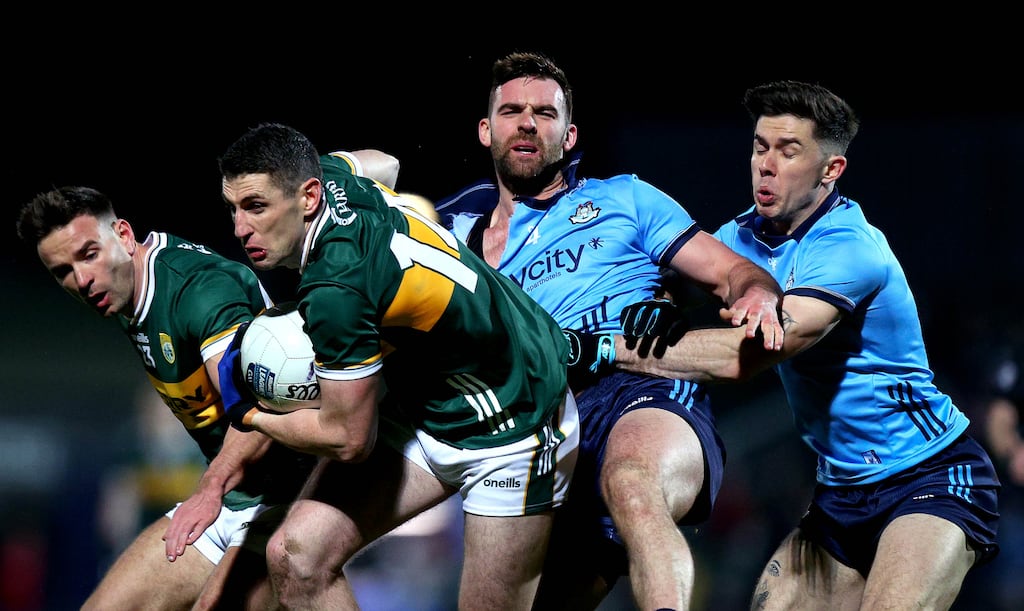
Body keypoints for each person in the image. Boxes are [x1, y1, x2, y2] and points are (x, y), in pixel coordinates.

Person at [607, 80, 1001, 609]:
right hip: (840, 493)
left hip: (929, 476)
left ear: (830, 170)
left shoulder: (850, 249)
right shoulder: (738, 238)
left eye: (788, 151)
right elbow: (667, 284)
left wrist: (608, 348)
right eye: (759, 147)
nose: (765, 166)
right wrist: (657, 296)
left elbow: (747, 355)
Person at [436, 51, 785, 611]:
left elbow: (735, 272)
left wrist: (758, 294)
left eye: (545, 114)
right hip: (536, 428)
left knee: (631, 482)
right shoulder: (454, 242)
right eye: (512, 111)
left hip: (636, 386)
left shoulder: (624, 197)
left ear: (569, 136)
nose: (527, 124)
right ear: (485, 130)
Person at [16, 144, 397, 611]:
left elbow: (253, 406)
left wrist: (209, 489)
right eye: (63, 272)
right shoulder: (129, 290)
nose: (82, 279)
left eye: (89, 254)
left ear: (123, 234)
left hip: (293, 491)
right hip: (239, 494)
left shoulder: (199, 293)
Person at [216, 121, 579, 610]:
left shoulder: (337, 290)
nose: (240, 229)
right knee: (297, 560)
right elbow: (386, 162)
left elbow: (348, 439)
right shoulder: (331, 177)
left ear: (308, 197)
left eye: (256, 207)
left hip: (518, 415)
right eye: (234, 208)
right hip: (429, 395)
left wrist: (248, 412)